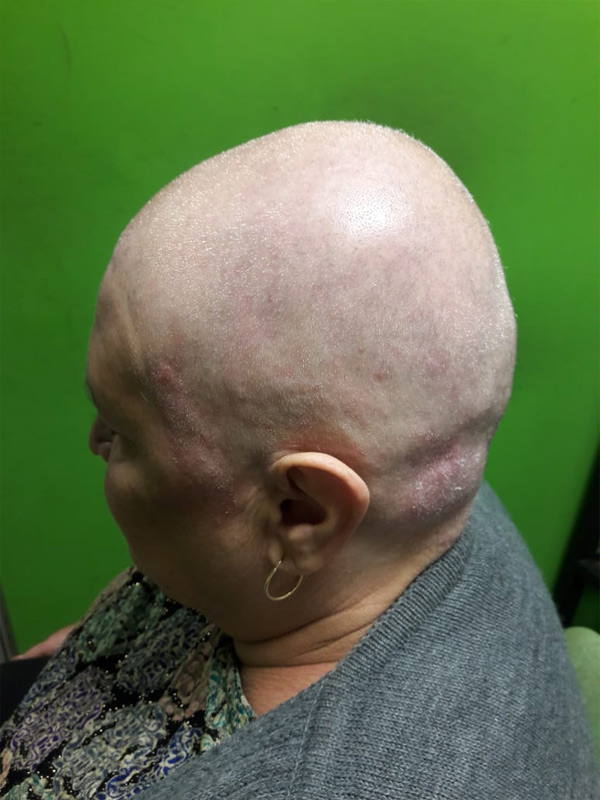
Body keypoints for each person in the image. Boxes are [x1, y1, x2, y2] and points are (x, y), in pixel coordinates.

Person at [1, 121, 597, 799]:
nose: (94, 441)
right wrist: (79, 655)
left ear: (300, 513)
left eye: (123, 433)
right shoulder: (418, 468)